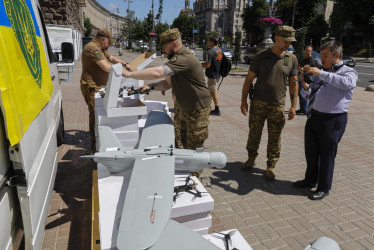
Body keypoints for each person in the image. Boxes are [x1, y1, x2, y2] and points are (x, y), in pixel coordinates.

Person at [123, 28, 211, 151]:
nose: (162, 51)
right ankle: (185, 167)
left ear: (174, 44)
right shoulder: (176, 58)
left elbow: (158, 72)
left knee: (195, 146)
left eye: (164, 47)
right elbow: (167, 83)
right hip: (185, 107)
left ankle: (194, 171)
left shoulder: (184, 58)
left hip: (197, 108)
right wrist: (151, 86)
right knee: (182, 141)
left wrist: (130, 74)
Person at [293, 40, 357, 200]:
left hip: (333, 120)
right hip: (314, 116)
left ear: (337, 55)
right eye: (321, 55)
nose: (322, 59)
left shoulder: (348, 72)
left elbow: (346, 84)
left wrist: (320, 73)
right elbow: (309, 95)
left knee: (326, 156)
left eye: (325, 55)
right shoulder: (321, 72)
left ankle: (323, 187)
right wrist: (304, 85)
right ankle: (309, 180)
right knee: (311, 153)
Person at [240, 25, 299, 181]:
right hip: (258, 103)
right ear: (276, 38)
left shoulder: (291, 59)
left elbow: (293, 83)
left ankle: (271, 166)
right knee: (254, 134)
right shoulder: (261, 56)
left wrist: (293, 105)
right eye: (286, 41)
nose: (288, 45)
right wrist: (243, 101)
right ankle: (251, 158)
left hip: (277, 105)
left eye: (290, 42)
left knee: (275, 137)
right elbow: (248, 80)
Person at [80, 29, 133, 151]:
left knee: (100, 112)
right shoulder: (92, 48)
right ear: (103, 39)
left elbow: (112, 58)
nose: (109, 45)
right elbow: (105, 67)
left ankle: (99, 137)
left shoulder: (101, 48)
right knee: (94, 113)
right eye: (108, 42)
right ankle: (94, 142)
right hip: (92, 86)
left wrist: (125, 64)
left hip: (100, 86)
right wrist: (125, 74)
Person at [202, 32, 223, 116]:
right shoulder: (219, 50)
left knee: (214, 92)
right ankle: (208, 107)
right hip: (218, 74)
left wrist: (201, 65)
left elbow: (208, 64)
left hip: (212, 75)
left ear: (211, 42)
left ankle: (217, 109)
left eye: (208, 41)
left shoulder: (210, 51)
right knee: (210, 91)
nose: (207, 42)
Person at [296, 45, 320, 115]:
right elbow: (299, 68)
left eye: (309, 51)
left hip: (308, 80)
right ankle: (302, 109)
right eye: (306, 51)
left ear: (311, 52)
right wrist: (301, 68)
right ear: (304, 51)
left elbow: (305, 69)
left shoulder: (311, 60)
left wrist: (301, 68)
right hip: (301, 78)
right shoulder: (304, 60)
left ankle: (305, 110)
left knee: (306, 94)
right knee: (301, 95)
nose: (307, 52)